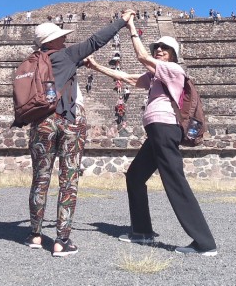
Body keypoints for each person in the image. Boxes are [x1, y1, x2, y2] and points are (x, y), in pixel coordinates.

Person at [84, 17, 217, 257]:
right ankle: (142, 231)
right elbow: (128, 78)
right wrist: (96, 67)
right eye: (157, 47)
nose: (159, 50)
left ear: (173, 55)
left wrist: (132, 27)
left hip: (165, 128)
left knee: (174, 180)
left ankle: (204, 242)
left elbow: (143, 58)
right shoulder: (157, 77)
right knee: (135, 176)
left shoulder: (174, 71)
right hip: (156, 131)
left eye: (164, 49)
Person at [24, 9, 136, 257]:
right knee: (68, 179)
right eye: (60, 37)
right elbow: (97, 40)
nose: (64, 40)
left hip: (39, 123)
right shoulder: (66, 54)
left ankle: (34, 234)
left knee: (40, 179)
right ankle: (61, 240)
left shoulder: (32, 62)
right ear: (51, 41)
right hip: (69, 119)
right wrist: (122, 21)